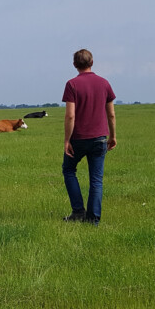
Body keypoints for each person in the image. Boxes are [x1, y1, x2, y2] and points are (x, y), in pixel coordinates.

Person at [62, 49, 116, 226]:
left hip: (78, 138)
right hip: (100, 138)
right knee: (96, 180)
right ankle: (93, 220)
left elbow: (70, 116)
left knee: (69, 170)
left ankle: (78, 211)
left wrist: (67, 140)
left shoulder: (72, 84)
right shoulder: (104, 83)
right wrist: (113, 136)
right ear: (92, 62)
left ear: (75, 64)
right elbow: (111, 115)